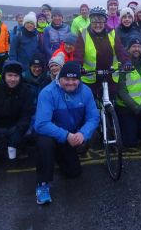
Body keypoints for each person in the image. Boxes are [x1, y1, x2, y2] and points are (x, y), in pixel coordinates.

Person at [34, 61, 100, 204]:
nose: (71, 83)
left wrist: (83, 134)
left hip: (70, 136)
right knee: (45, 144)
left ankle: (58, 155)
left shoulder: (86, 91)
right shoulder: (47, 92)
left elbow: (94, 117)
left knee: (74, 173)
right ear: (59, 78)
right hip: (51, 135)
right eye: (67, 79)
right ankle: (43, 184)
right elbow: (41, 124)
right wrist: (66, 136)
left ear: (79, 79)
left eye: (74, 79)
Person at [0, 61, 34, 161]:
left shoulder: (26, 91)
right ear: (4, 75)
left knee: (30, 137)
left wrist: (18, 134)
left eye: (16, 76)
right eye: (10, 75)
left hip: (15, 126)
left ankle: (19, 149)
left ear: (20, 77)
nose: (13, 79)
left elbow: (26, 117)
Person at [73, 6, 131, 98]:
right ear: (90, 21)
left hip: (110, 75)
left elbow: (120, 50)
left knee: (111, 101)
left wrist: (126, 62)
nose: (97, 24)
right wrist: (78, 66)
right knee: (90, 103)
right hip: (90, 77)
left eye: (100, 21)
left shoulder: (112, 32)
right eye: (94, 21)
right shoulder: (83, 33)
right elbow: (78, 53)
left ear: (105, 21)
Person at [116, 37, 141, 148]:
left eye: (139, 46)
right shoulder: (121, 64)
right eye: (133, 46)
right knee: (129, 143)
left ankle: (139, 131)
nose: (136, 49)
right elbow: (121, 91)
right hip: (126, 108)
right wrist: (137, 109)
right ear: (128, 49)